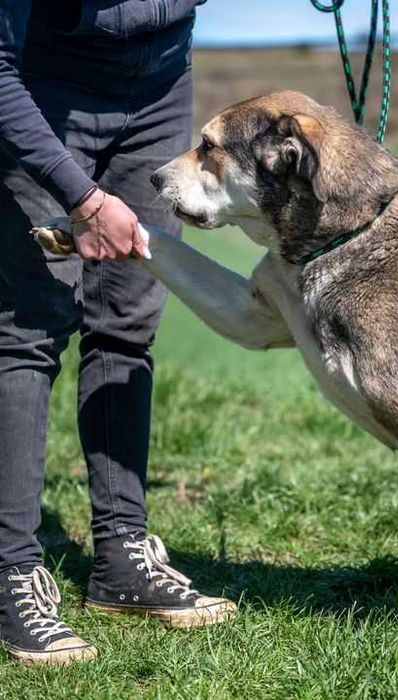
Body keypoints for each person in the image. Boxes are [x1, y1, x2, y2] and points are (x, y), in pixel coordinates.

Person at [0, 1, 236, 666]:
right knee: (27, 332)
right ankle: (11, 572)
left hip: (158, 82)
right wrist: (83, 199)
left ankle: (121, 558)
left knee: (129, 324)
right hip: (40, 84)